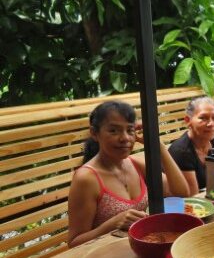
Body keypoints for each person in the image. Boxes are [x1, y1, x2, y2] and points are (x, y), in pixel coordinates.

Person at [67, 101, 190, 248]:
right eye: (114, 131)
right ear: (94, 133)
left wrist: (158, 146)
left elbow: (181, 192)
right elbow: (74, 243)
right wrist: (112, 224)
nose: (125, 138)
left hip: (140, 249)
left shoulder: (136, 164)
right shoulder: (87, 179)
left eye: (130, 130)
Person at [168, 97, 214, 195]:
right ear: (188, 121)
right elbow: (193, 198)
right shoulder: (181, 152)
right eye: (203, 118)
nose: (211, 123)